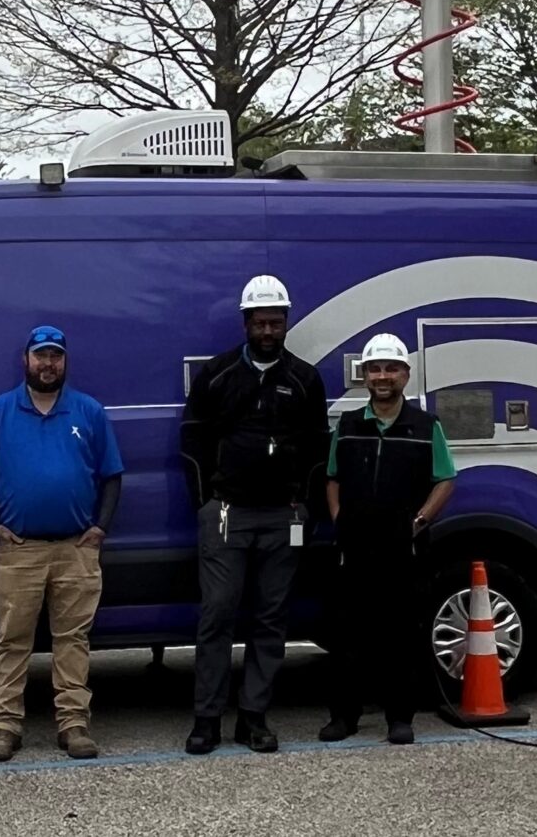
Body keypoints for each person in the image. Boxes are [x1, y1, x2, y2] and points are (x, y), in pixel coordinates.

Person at [179, 274, 329, 755]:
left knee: (271, 619)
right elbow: (192, 442)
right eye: (260, 322)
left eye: (276, 322)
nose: (268, 330)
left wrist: (304, 504)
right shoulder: (219, 375)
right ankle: (207, 720)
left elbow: (317, 450)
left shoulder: (304, 378)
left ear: (287, 323)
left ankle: (254, 718)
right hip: (227, 514)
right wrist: (206, 501)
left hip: (283, 517)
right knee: (217, 616)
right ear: (245, 323)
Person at [0, 324, 124, 763]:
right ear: (26, 360)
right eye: (41, 356)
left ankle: (74, 725)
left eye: (55, 356)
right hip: (19, 550)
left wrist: (100, 529)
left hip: (76, 549)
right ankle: (4, 727)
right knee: (11, 641)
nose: (48, 364)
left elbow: (112, 476)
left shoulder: (88, 412)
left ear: (65, 361)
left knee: (72, 641)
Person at [317, 331, 456, 746]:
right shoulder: (348, 424)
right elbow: (332, 477)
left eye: (391, 369)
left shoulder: (425, 426)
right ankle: (344, 717)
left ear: (405, 375)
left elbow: (445, 480)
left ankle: (400, 718)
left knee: (400, 634)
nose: (382, 376)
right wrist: (340, 518)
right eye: (375, 369)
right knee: (347, 635)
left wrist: (419, 521)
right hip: (354, 545)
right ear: (364, 376)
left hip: (402, 546)